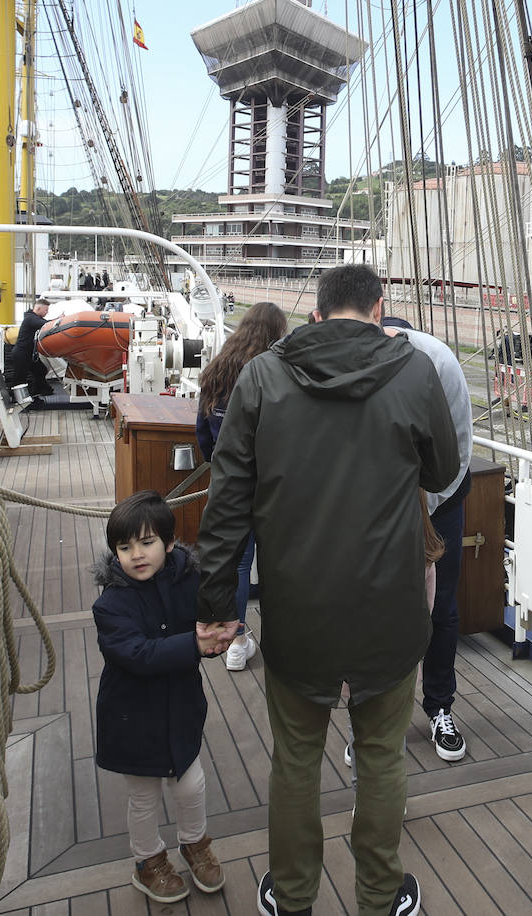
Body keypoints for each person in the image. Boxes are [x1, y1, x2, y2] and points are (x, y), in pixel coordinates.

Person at [197, 264, 458, 916]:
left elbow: (226, 504)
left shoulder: (261, 378)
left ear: (315, 315)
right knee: (380, 759)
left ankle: (292, 896)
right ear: (379, 309)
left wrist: (214, 610)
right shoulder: (415, 372)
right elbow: (444, 468)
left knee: (295, 763)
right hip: (389, 613)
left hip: (298, 612)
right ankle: (378, 895)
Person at [91, 490, 226, 904]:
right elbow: (136, 653)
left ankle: (194, 843)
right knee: (144, 795)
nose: (136, 554)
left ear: (169, 543)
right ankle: (147, 860)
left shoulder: (190, 580)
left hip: (181, 704)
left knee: (191, 784)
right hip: (132, 716)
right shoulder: (111, 603)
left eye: (147, 542)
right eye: (125, 547)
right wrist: (196, 644)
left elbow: (212, 610)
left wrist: (221, 628)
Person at [376, 314, 473, 762]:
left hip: (440, 500)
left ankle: (440, 707)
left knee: (442, 608)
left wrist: (422, 513)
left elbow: (457, 449)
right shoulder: (356, 364)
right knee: (375, 611)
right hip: (377, 504)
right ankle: (375, 723)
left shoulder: (440, 364)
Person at [194, 301, 287, 671]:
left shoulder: (216, 372)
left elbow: (202, 431)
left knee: (235, 564)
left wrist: (217, 464)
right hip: (270, 488)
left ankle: (236, 640)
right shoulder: (272, 374)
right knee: (277, 563)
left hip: (229, 484)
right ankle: (281, 638)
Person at [9, 298, 53, 400]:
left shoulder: (32, 318)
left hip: (27, 353)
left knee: (41, 370)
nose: (47, 312)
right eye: (46, 310)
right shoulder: (30, 318)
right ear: (38, 308)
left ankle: (40, 391)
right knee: (20, 377)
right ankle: (16, 398)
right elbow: (45, 324)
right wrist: (58, 321)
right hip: (21, 353)